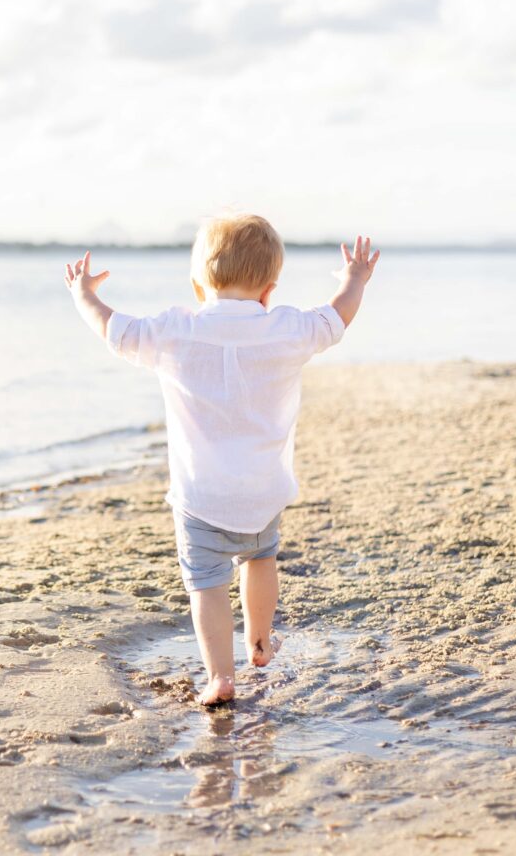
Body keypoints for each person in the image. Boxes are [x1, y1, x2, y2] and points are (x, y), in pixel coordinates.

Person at [64, 214, 379, 706]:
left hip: (201, 495)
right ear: (270, 290)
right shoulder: (288, 327)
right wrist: (355, 279)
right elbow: (338, 316)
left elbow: (114, 330)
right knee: (261, 557)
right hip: (264, 489)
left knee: (207, 585)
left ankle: (220, 677)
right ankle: (260, 638)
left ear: (197, 286)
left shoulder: (175, 330)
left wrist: (84, 294)